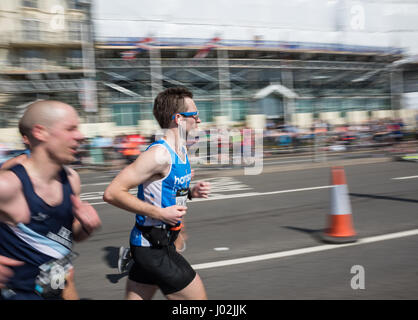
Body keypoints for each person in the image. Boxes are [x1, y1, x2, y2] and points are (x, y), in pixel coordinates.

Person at [104, 87, 210, 300]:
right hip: (153, 247)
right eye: (195, 115)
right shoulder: (159, 154)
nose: (199, 120)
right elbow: (112, 192)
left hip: (159, 242)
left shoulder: (180, 150)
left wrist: (190, 193)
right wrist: (160, 214)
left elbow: (165, 189)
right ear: (179, 119)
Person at [0, 100, 101, 300]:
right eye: (71, 129)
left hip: (56, 289)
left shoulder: (71, 180)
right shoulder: (9, 185)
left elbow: (67, 236)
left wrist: (87, 226)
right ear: (40, 132)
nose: (80, 136)